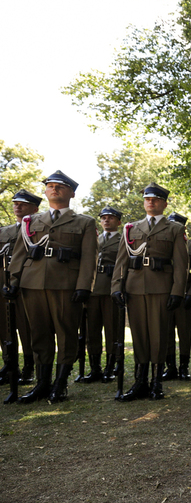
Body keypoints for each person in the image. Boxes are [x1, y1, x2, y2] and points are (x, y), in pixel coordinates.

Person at [3, 171, 97, 404]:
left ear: (72, 193)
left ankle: (60, 384)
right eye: (50, 186)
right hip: (32, 284)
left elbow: (88, 258)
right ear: (45, 191)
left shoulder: (84, 222)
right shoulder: (31, 221)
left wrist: (84, 286)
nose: (54, 189)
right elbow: (20, 255)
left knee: (66, 333)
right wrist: (14, 282)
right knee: (39, 334)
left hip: (65, 285)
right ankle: (42, 384)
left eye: (60, 186)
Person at [111, 183, 188, 401]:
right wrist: (117, 286)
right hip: (134, 288)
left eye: (155, 199)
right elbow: (121, 262)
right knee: (139, 336)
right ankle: (140, 381)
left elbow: (181, 264)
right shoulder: (130, 228)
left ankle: (156, 382)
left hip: (161, 288)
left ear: (164, 203)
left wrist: (177, 291)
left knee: (159, 335)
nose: (150, 202)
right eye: (147, 199)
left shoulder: (175, 229)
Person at [0, 189, 41, 386]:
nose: (17, 206)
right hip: (3, 283)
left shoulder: (38, 230)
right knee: (4, 326)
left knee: (27, 328)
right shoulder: (4, 231)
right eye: (15, 203)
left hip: (26, 282)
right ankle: (10, 365)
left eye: (23, 204)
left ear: (35, 208)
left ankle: (28, 366)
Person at [82, 206, 123, 383]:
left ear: (118, 222)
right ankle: (95, 368)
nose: (106, 220)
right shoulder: (93, 239)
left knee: (112, 330)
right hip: (92, 289)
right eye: (104, 218)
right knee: (92, 330)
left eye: (111, 218)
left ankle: (110, 367)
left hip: (110, 289)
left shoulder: (123, 240)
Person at [162, 212, 191, 381]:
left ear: (183, 227)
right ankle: (170, 367)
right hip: (164, 295)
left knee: (185, 333)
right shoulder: (163, 245)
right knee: (166, 332)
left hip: (184, 296)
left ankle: (184, 367)